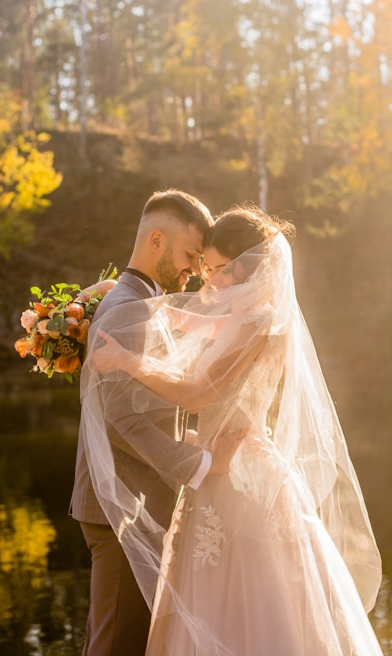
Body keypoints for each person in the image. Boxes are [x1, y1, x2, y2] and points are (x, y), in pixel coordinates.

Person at [91, 204, 384, 655]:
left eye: (221, 269)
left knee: (258, 605)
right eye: (207, 269)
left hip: (242, 475)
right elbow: (171, 316)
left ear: (253, 267)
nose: (212, 281)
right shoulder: (236, 317)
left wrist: (128, 360)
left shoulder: (262, 322)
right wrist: (109, 294)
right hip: (214, 473)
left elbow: (197, 393)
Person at [70, 189, 240, 656]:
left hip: (130, 499)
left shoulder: (138, 299)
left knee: (112, 638)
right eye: (189, 255)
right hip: (123, 503)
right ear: (157, 240)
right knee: (116, 645)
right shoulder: (129, 308)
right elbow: (124, 420)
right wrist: (204, 464)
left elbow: (145, 403)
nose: (195, 269)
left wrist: (186, 433)